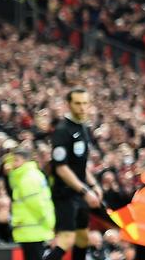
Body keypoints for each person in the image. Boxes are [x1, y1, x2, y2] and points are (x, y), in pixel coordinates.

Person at [45, 89, 102, 260]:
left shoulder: (83, 128)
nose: (82, 107)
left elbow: (80, 165)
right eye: (78, 103)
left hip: (80, 193)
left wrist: (93, 185)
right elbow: (61, 168)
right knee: (67, 238)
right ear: (69, 105)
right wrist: (85, 191)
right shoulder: (62, 130)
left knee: (83, 238)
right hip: (66, 193)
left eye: (85, 103)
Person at [5, 142, 55, 260]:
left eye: (16, 160)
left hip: (35, 231)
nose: (13, 164)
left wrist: (50, 224)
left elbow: (38, 205)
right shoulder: (23, 176)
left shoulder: (28, 178)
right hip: (31, 231)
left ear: (25, 161)